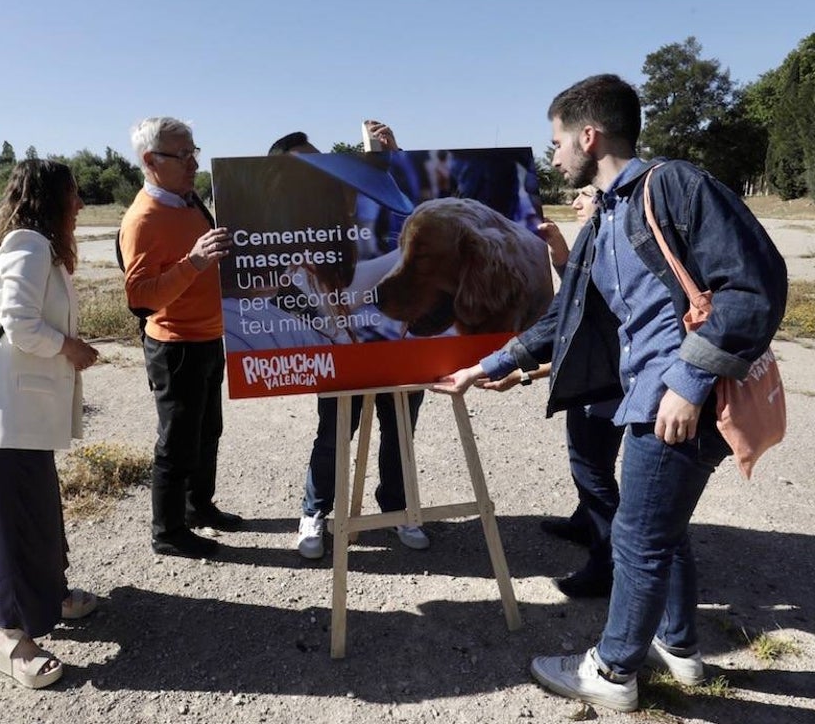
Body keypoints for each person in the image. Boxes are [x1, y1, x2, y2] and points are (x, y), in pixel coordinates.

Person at [437, 74, 787, 712]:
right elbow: (567, 315)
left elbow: (754, 285)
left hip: (679, 402)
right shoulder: (611, 214)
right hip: (652, 396)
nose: (553, 155)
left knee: (636, 536)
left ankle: (613, 670)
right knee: (664, 528)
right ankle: (679, 649)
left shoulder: (674, 185)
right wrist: (489, 364)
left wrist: (687, 381)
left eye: (556, 141)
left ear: (588, 135)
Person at [0, 159, 101, 690]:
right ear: (51, 198)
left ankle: (53, 595)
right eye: (74, 194)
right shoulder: (29, 243)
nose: (81, 204)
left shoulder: (40, 248)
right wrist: (69, 347)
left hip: (19, 413)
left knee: (37, 510)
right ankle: (11, 639)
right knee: (15, 524)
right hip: (4, 414)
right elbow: (19, 322)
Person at [268, 125, 429, 560]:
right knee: (335, 432)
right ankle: (315, 511)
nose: (321, 174)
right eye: (304, 167)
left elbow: (415, 228)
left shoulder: (351, 204)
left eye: (320, 161)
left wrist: (391, 157)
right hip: (342, 354)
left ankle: (397, 508)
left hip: (394, 348)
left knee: (400, 431)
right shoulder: (288, 241)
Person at [493, 186, 623, 599]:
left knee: (592, 470)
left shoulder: (611, 244)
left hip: (605, 386)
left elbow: (581, 323)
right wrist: (562, 258)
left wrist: (519, 370)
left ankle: (608, 563)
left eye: (585, 194)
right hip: (598, 381)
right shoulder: (603, 239)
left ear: (607, 198)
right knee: (592, 461)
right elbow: (584, 300)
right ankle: (585, 522)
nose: (575, 202)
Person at [120, 117, 240, 559]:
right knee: (177, 441)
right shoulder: (143, 218)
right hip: (176, 347)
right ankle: (167, 531)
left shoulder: (188, 202)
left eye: (195, 151)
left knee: (208, 431)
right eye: (182, 155)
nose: (193, 163)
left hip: (209, 336)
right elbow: (140, 298)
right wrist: (192, 263)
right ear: (151, 161)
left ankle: (198, 507)